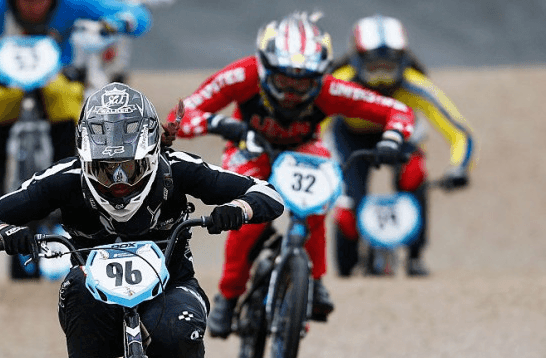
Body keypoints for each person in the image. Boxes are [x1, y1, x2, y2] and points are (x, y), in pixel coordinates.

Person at [0, 83, 285, 358]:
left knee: (179, 329)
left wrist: (237, 209)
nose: (117, 182)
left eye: (128, 168)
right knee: (74, 289)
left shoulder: (177, 167)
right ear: (84, 159)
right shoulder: (63, 177)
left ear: (148, 157)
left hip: (171, 286)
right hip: (96, 293)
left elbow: (266, 192)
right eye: (103, 169)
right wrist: (5, 233)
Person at [169, 12, 415, 337]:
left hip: (303, 149)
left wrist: (392, 138)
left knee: (318, 204)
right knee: (247, 221)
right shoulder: (242, 75)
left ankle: (314, 281)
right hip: (250, 149)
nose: (292, 93)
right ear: (264, 68)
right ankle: (228, 295)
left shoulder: (331, 89)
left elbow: (397, 111)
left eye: (303, 83)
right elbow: (180, 115)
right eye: (284, 81)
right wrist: (220, 123)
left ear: (320, 76)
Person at [0, 0, 152, 201]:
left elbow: (137, 14)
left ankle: (67, 167)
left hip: (55, 75)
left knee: (65, 95)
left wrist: (120, 22)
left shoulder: (73, 5)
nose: (33, 5)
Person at [327, 14, 476, 277]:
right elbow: (311, 125)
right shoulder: (338, 83)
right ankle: (347, 268)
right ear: (357, 59)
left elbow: (458, 132)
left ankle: (415, 255)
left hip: (400, 136)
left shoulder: (416, 86)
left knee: (414, 173)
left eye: (389, 66)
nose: (382, 78)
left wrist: (459, 168)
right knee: (348, 209)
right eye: (375, 67)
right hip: (350, 137)